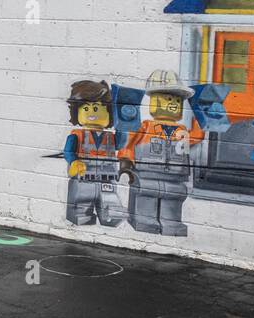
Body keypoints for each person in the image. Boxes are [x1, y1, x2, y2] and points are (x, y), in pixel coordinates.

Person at [120, 70, 204, 236]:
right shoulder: (146, 127)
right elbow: (129, 142)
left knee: (172, 199)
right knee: (146, 196)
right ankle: (144, 220)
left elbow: (197, 136)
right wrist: (125, 160)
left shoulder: (182, 131)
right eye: (169, 99)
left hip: (175, 177)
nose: (173, 104)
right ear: (154, 101)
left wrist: (201, 117)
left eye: (176, 100)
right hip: (147, 175)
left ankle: (171, 222)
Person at [63, 79, 124, 227]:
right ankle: (82, 215)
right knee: (81, 207)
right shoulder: (77, 135)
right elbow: (68, 151)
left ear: (109, 113)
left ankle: (108, 217)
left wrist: (122, 122)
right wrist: (73, 161)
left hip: (107, 178)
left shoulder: (111, 137)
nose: (91, 113)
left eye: (96, 108)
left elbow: (122, 142)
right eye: (85, 109)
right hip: (83, 177)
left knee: (110, 208)